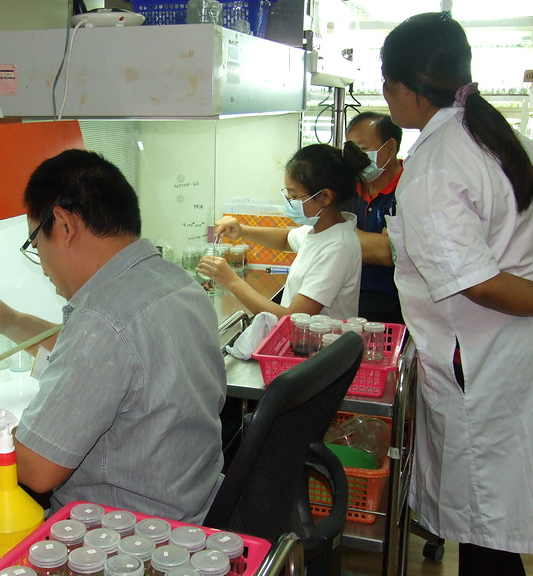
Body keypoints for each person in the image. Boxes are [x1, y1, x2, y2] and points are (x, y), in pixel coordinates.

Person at [0, 149, 227, 523]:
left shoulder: (102, 321)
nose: (42, 266)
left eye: (36, 244)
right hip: (195, 517)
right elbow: (114, 362)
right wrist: (10, 321)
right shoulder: (176, 283)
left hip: (127, 537)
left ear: (65, 225)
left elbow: (34, 467)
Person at [381, 12, 533, 576]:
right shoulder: (491, 133)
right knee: (490, 527)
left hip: (478, 360)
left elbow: (480, 283)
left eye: (387, 84)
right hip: (502, 352)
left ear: (407, 88)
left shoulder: (437, 163)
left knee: (484, 526)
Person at [198, 142, 366, 319]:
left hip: (319, 337)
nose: (289, 201)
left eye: (294, 196)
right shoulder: (320, 230)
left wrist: (232, 281)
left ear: (324, 197)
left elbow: (292, 318)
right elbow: (286, 239)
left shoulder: (338, 247)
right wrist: (242, 231)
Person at [345, 112, 405, 325]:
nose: (356, 157)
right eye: (352, 150)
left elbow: (389, 253)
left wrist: (338, 233)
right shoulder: (346, 188)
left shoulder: (410, 190)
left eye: (362, 149)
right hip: (347, 301)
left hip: (394, 307)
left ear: (390, 147)